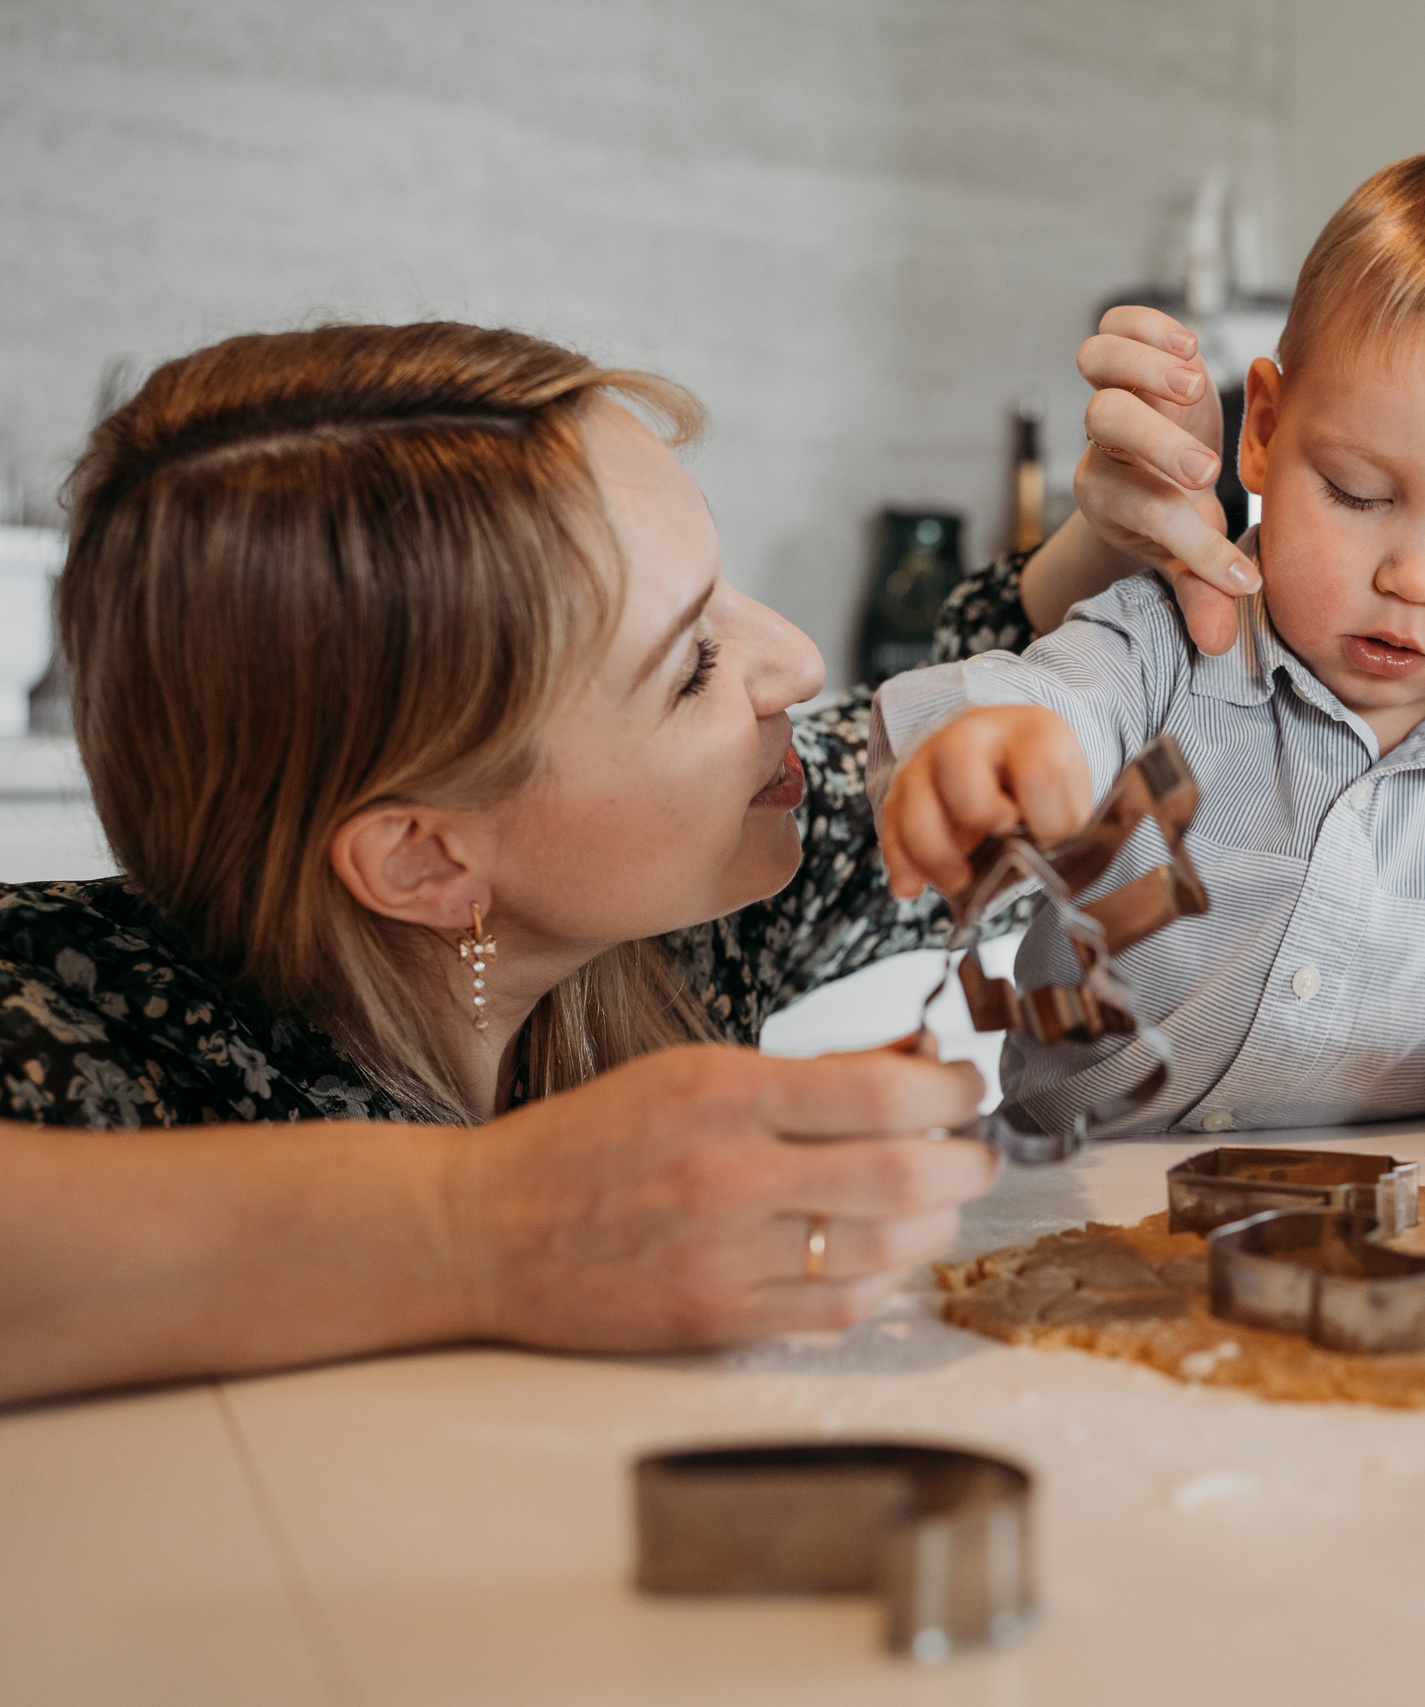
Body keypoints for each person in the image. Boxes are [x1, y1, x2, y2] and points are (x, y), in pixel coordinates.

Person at [0, 319, 1201, 1406]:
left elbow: (944, 769)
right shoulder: (56, 1019)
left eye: (728, 594)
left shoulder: (677, 924)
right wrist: (479, 1229)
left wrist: (1105, 546)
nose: (791, 661)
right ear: (424, 860)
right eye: (690, 666)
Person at [874, 150, 1425, 1201]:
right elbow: (1058, 702)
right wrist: (1006, 746)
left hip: (1424, 1230)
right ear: (1261, 432)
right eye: (1354, 492)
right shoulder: (1162, 647)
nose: (1415, 576)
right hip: (1077, 1211)